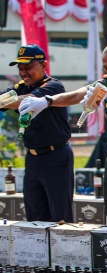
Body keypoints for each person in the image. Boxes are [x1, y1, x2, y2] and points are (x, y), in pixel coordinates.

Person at [20, 42, 107, 227]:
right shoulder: (106, 82)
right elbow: (78, 94)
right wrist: (47, 101)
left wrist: (105, 93)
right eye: (106, 68)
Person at [0, 44, 73, 222]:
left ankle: (63, 251)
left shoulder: (53, 86)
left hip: (55, 157)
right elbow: (3, 98)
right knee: (34, 218)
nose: (24, 72)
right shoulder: (22, 86)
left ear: (44, 65)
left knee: (60, 218)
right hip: (33, 159)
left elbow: (27, 100)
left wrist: (6, 101)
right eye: (20, 68)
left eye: (28, 67)